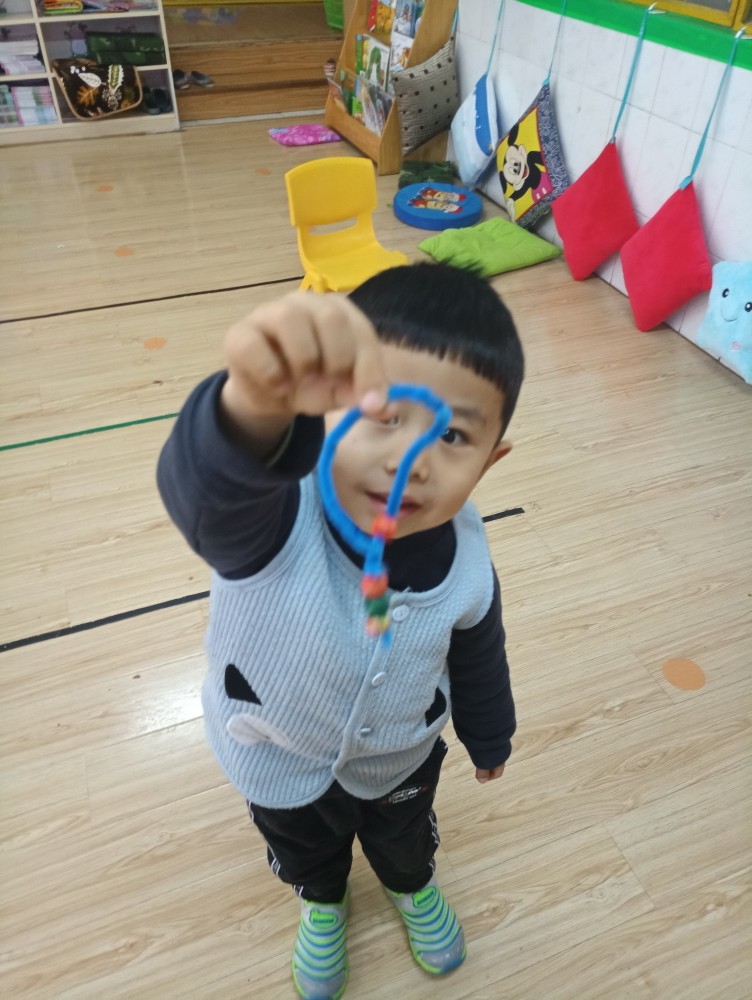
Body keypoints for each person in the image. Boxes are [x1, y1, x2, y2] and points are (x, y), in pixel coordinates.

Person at [157, 262, 523, 1000]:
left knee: (405, 839)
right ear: (324, 410)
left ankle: (410, 885)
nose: (408, 460)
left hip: (399, 759)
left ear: (489, 463)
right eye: (383, 413)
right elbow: (206, 496)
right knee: (304, 850)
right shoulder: (268, 519)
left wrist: (490, 736)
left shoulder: (467, 560)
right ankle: (322, 903)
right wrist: (250, 409)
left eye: (452, 434)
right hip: (277, 756)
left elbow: (479, 653)